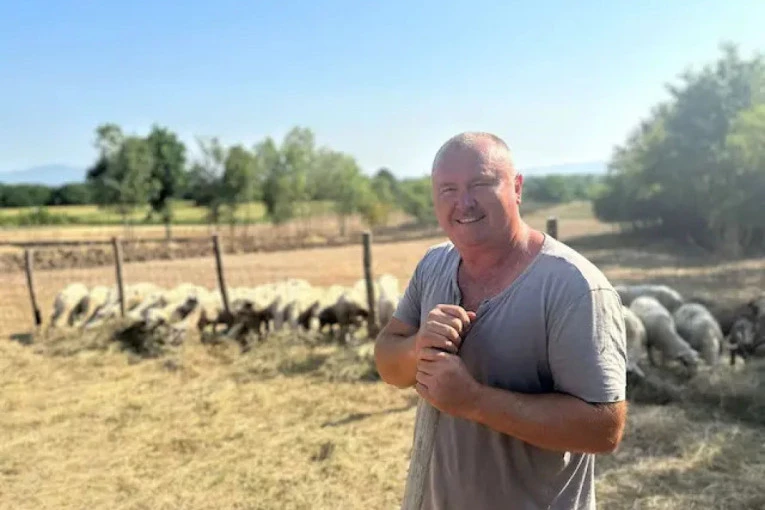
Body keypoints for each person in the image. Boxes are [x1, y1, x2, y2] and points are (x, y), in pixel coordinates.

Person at [373, 132, 628, 510]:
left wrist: (474, 401)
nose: (464, 202)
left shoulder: (574, 287)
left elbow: (604, 430)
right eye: (448, 189)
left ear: (517, 187)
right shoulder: (433, 265)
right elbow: (387, 362)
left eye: (480, 184)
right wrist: (417, 348)